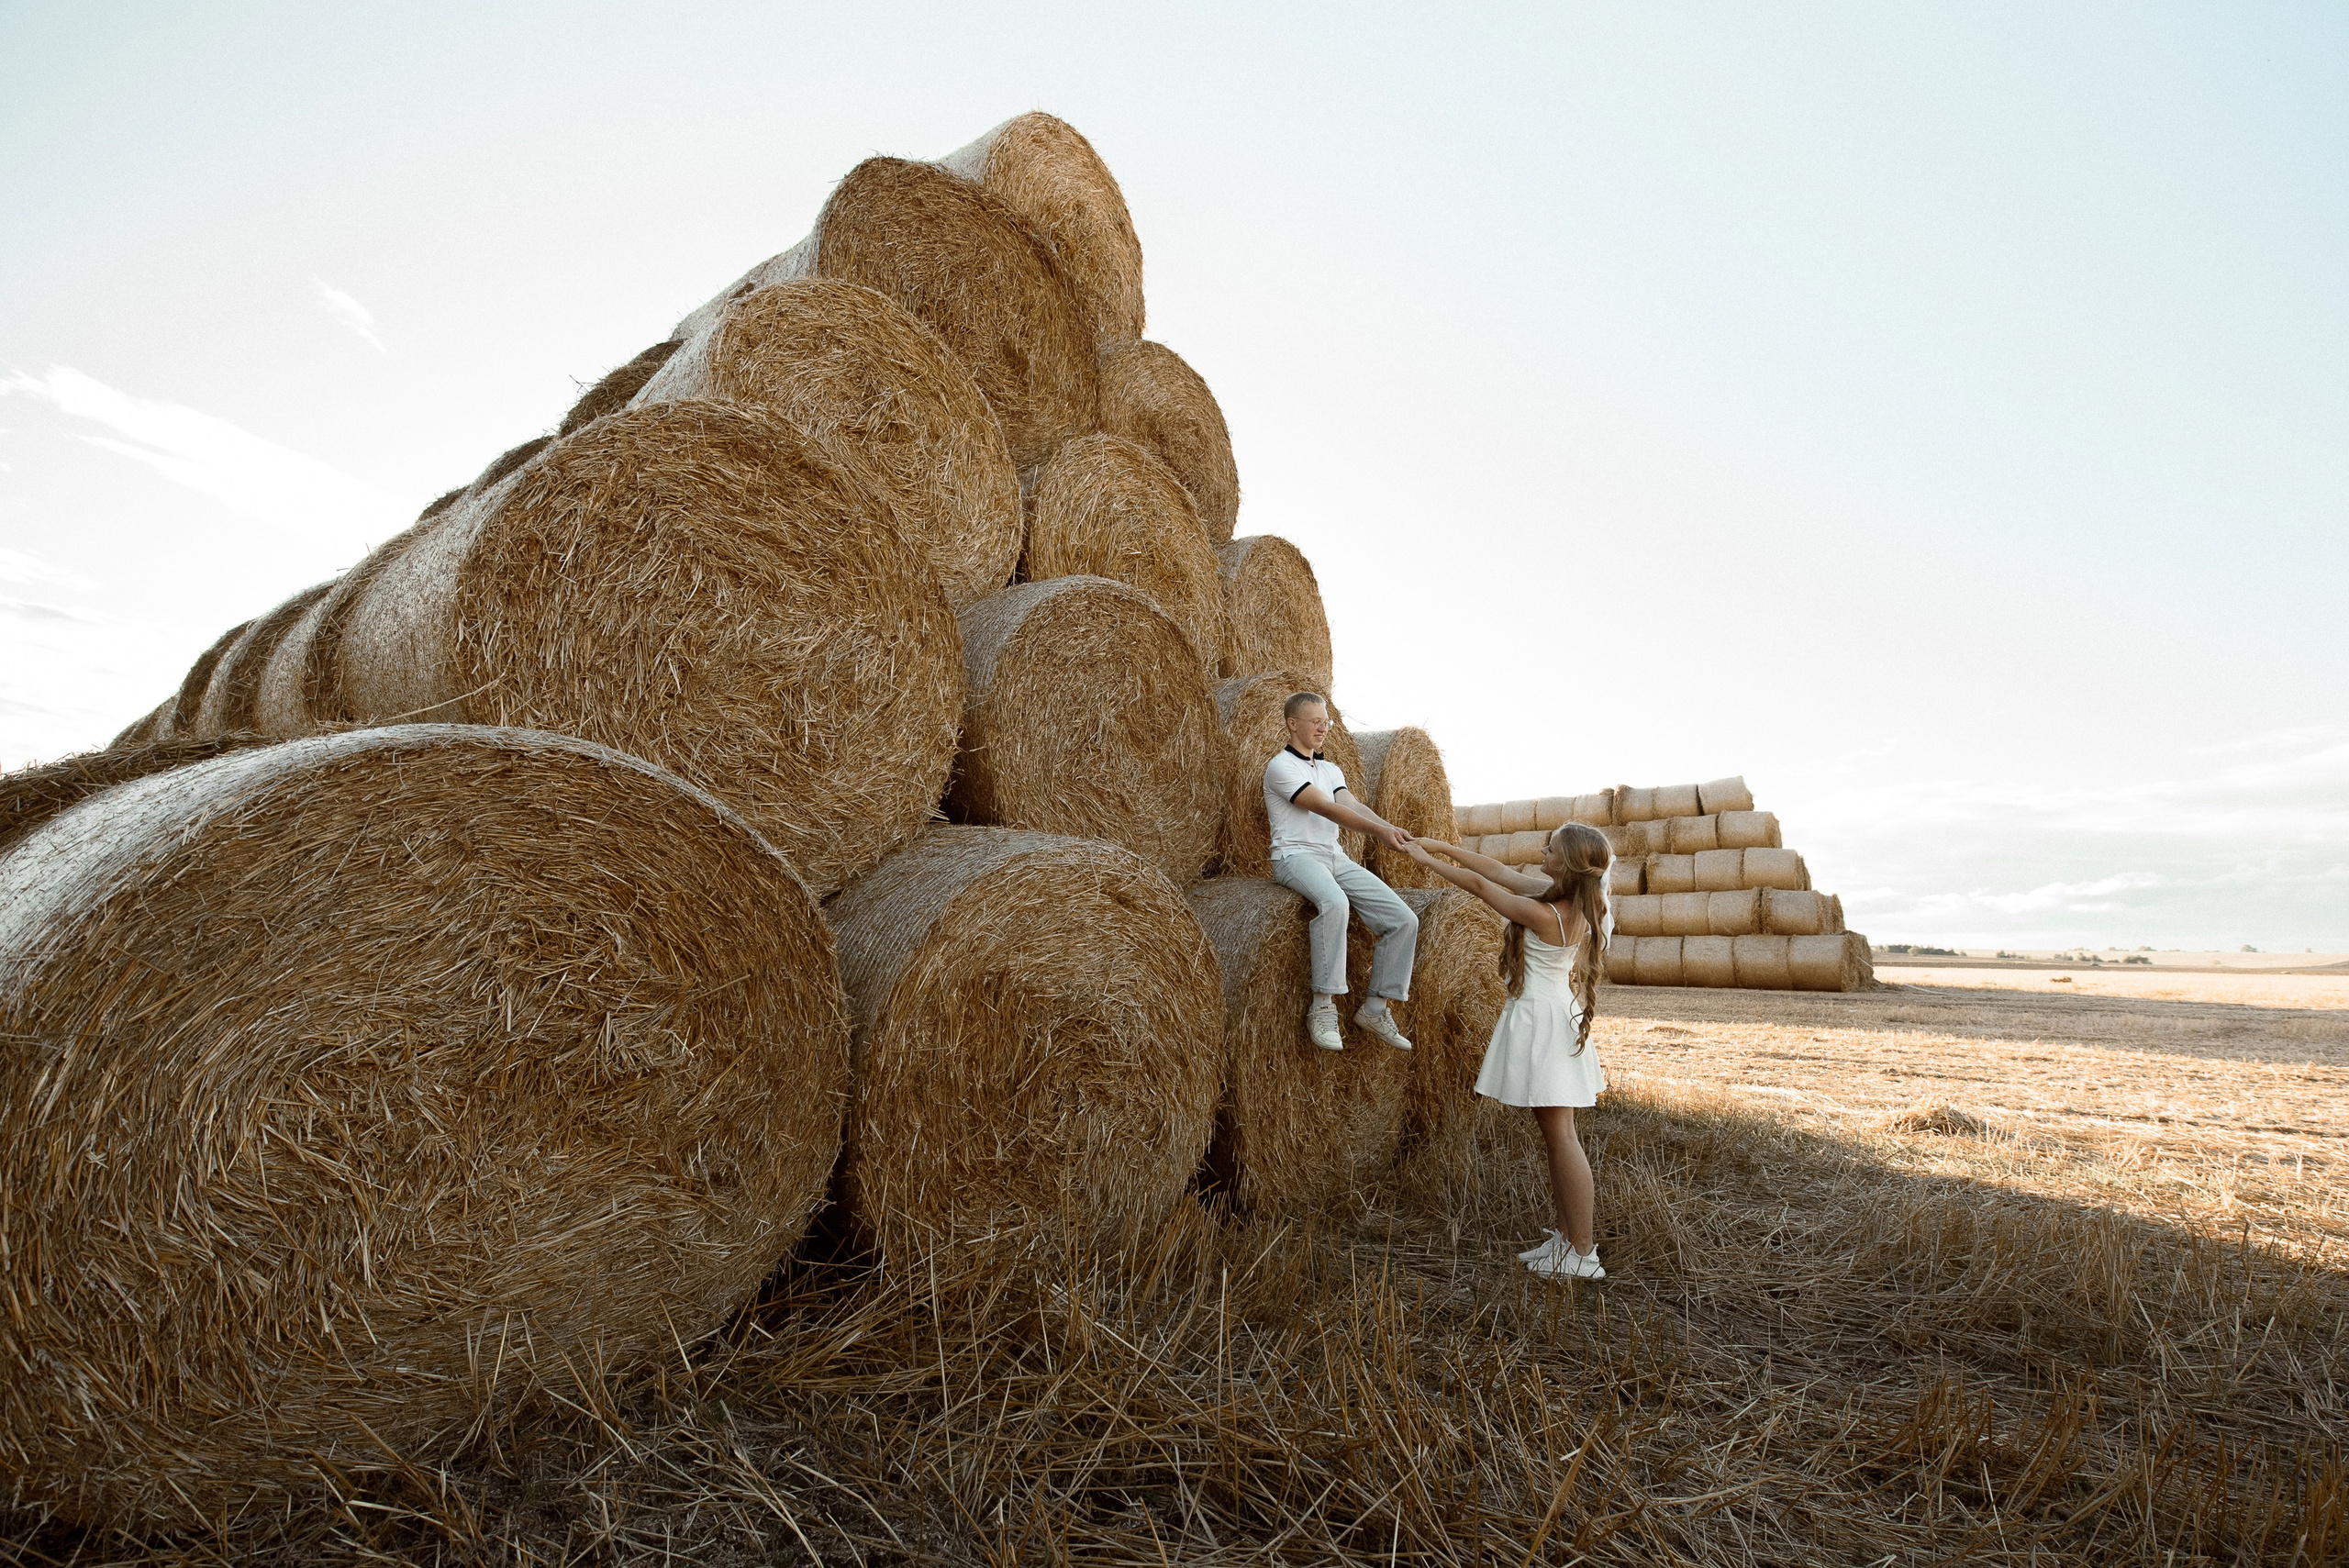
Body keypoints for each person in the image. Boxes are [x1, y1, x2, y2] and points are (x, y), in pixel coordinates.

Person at [1402, 822, 1612, 1281]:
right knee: (1556, 1137)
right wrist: (1434, 842)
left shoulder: (1550, 915)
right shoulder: (1566, 897)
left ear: (1569, 863)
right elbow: (1494, 868)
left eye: (1551, 849)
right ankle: (1567, 1241)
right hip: (1550, 1014)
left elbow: (1482, 885)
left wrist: (1424, 862)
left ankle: (1582, 1254)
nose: (1543, 851)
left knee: (1562, 1137)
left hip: (1544, 1022)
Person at [1263, 692, 1420, 1052]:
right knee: (1335, 904)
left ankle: (1376, 1008)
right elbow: (1326, 809)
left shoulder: (1331, 769)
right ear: (1293, 723)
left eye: (1326, 721)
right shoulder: (1281, 768)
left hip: (1334, 857)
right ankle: (1323, 1005)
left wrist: (1391, 828)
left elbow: (1350, 804)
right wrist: (1379, 833)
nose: (1323, 727)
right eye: (1315, 720)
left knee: (1404, 919)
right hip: (1294, 856)